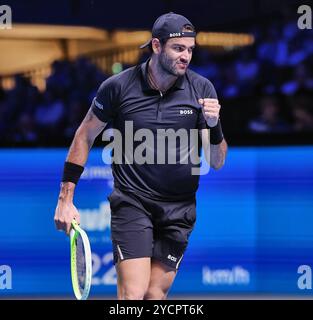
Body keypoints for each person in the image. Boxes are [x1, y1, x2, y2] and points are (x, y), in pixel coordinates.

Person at [54, 12, 227, 300]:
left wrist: (214, 125)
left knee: (154, 294)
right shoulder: (118, 87)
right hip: (133, 202)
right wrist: (65, 198)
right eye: (178, 48)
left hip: (179, 210)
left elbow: (218, 161)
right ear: (156, 46)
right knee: (133, 295)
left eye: (190, 49)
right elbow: (85, 135)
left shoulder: (201, 89)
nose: (186, 56)